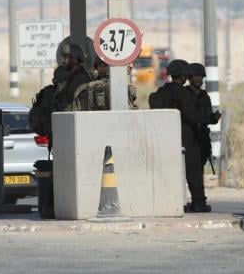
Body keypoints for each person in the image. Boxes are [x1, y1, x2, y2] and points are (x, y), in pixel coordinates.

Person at [149, 59, 211, 213]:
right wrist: (210, 118)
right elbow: (192, 115)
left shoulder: (161, 92)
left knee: (168, 172)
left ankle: (168, 204)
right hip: (188, 137)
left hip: (166, 138)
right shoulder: (185, 94)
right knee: (194, 172)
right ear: (183, 77)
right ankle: (198, 203)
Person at [29, 42, 94, 147]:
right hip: (64, 130)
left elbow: (70, 105)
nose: (63, 61)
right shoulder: (67, 78)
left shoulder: (80, 79)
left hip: (73, 129)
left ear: (75, 59)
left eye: (66, 57)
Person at [187, 62, 222, 170]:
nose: (198, 79)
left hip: (202, 139)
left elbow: (208, 117)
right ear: (189, 78)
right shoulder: (184, 94)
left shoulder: (204, 96)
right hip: (188, 138)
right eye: (195, 76)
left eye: (201, 77)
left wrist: (214, 118)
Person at [72, 60, 137, 111]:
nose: (102, 67)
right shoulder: (90, 84)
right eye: (100, 65)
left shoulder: (116, 84)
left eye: (105, 65)